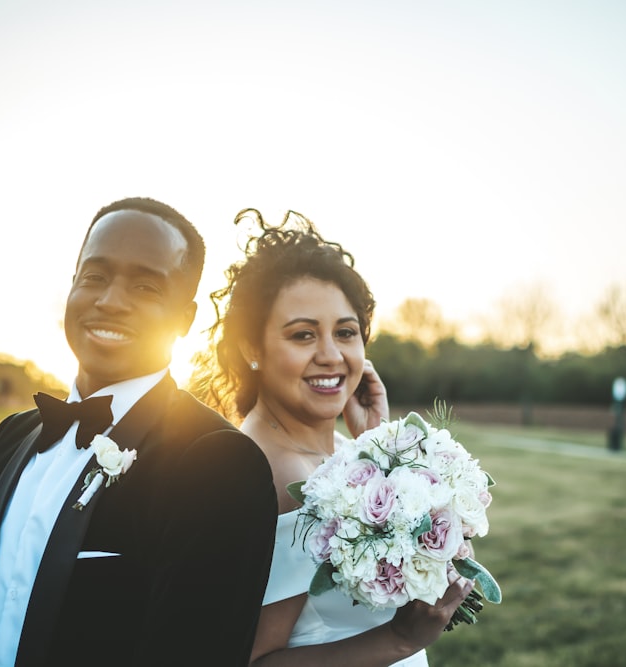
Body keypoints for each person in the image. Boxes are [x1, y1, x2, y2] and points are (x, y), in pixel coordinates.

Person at [0, 197, 278, 666]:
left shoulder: (219, 463)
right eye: (95, 277)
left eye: (147, 287)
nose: (110, 301)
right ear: (71, 286)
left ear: (185, 319)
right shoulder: (10, 438)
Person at [197, 209, 476, 666]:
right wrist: (400, 642)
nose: (330, 355)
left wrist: (382, 449)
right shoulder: (271, 473)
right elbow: (254, 661)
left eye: (345, 333)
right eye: (303, 334)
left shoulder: (349, 454)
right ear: (252, 348)